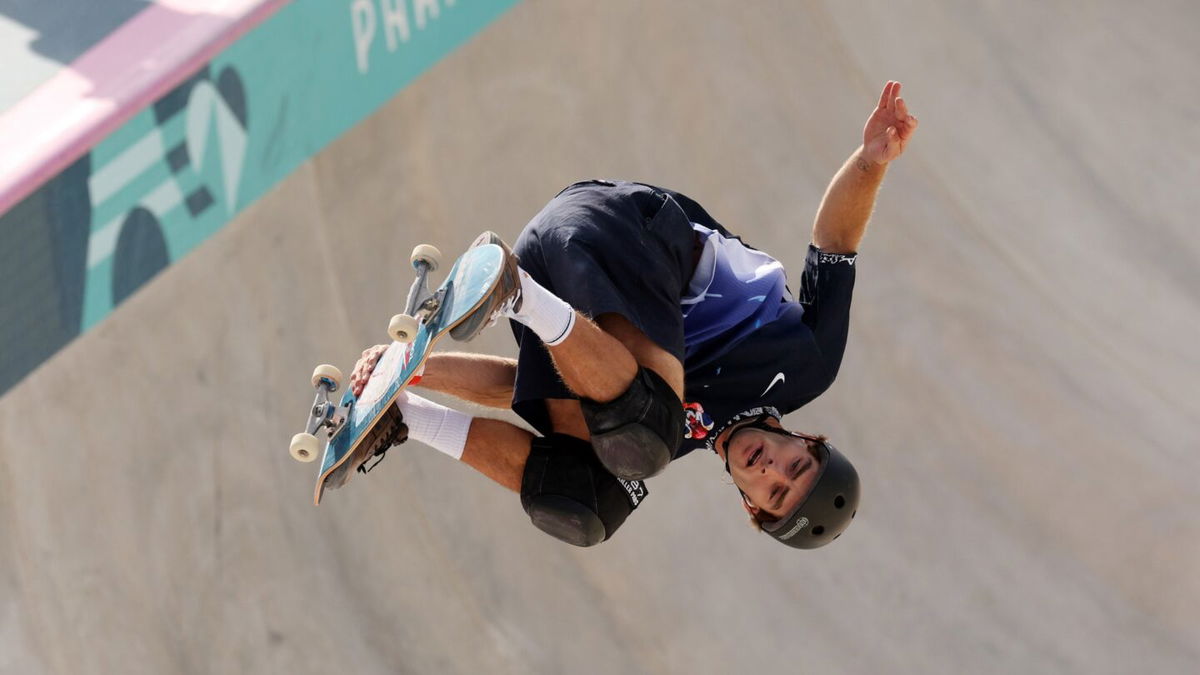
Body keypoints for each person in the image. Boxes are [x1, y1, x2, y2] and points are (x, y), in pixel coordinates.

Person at [348, 81, 918, 548]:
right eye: (795, 468)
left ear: (750, 505)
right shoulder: (809, 363)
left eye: (772, 493)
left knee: (589, 500)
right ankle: (514, 295)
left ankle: (403, 414)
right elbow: (835, 241)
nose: (771, 470)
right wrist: (871, 163)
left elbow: (516, 386)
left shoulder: (667, 428)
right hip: (631, 231)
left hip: (554, 268)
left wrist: (413, 366)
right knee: (646, 437)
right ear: (807, 442)